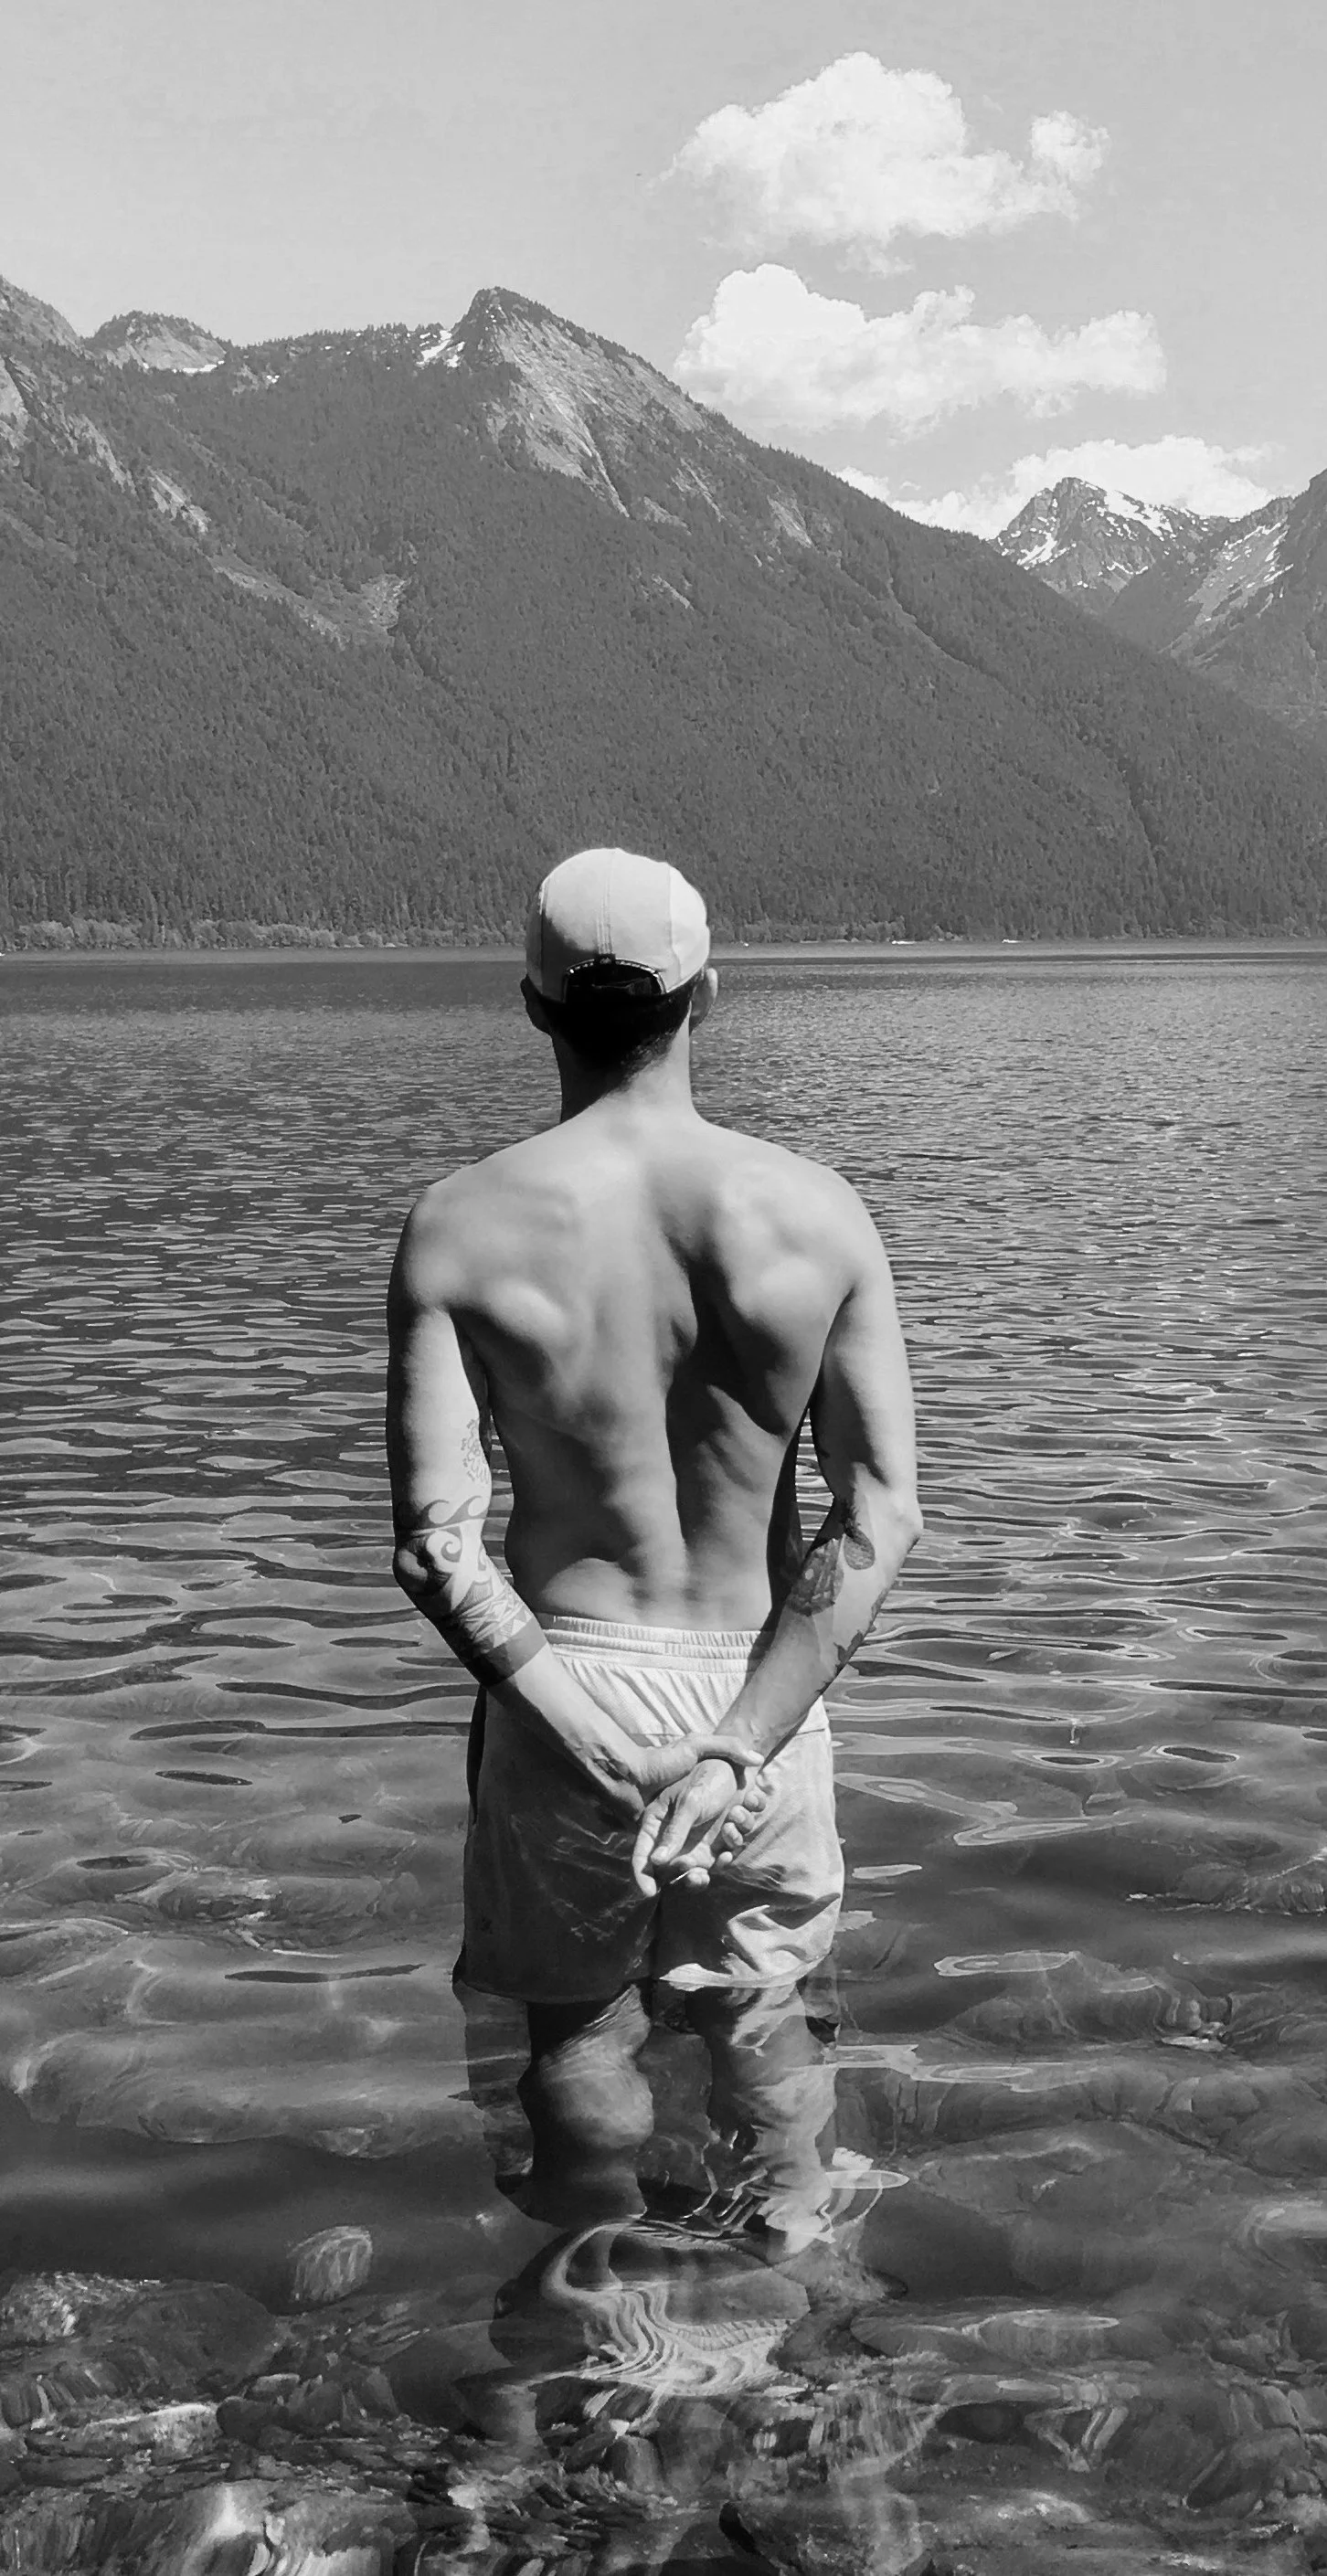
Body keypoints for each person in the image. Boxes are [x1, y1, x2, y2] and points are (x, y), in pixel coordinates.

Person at [387, 847, 921, 2231]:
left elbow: (442, 1549)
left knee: (572, 2036)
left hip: (567, 1691)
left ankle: (580, 2356)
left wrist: (598, 1740)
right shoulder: (818, 1214)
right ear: (710, 997)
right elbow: (879, 1519)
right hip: (762, 1685)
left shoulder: (458, 1226)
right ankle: (808, 2325)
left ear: (531, 1006)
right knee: (762, 2023)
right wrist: (736, 1738)